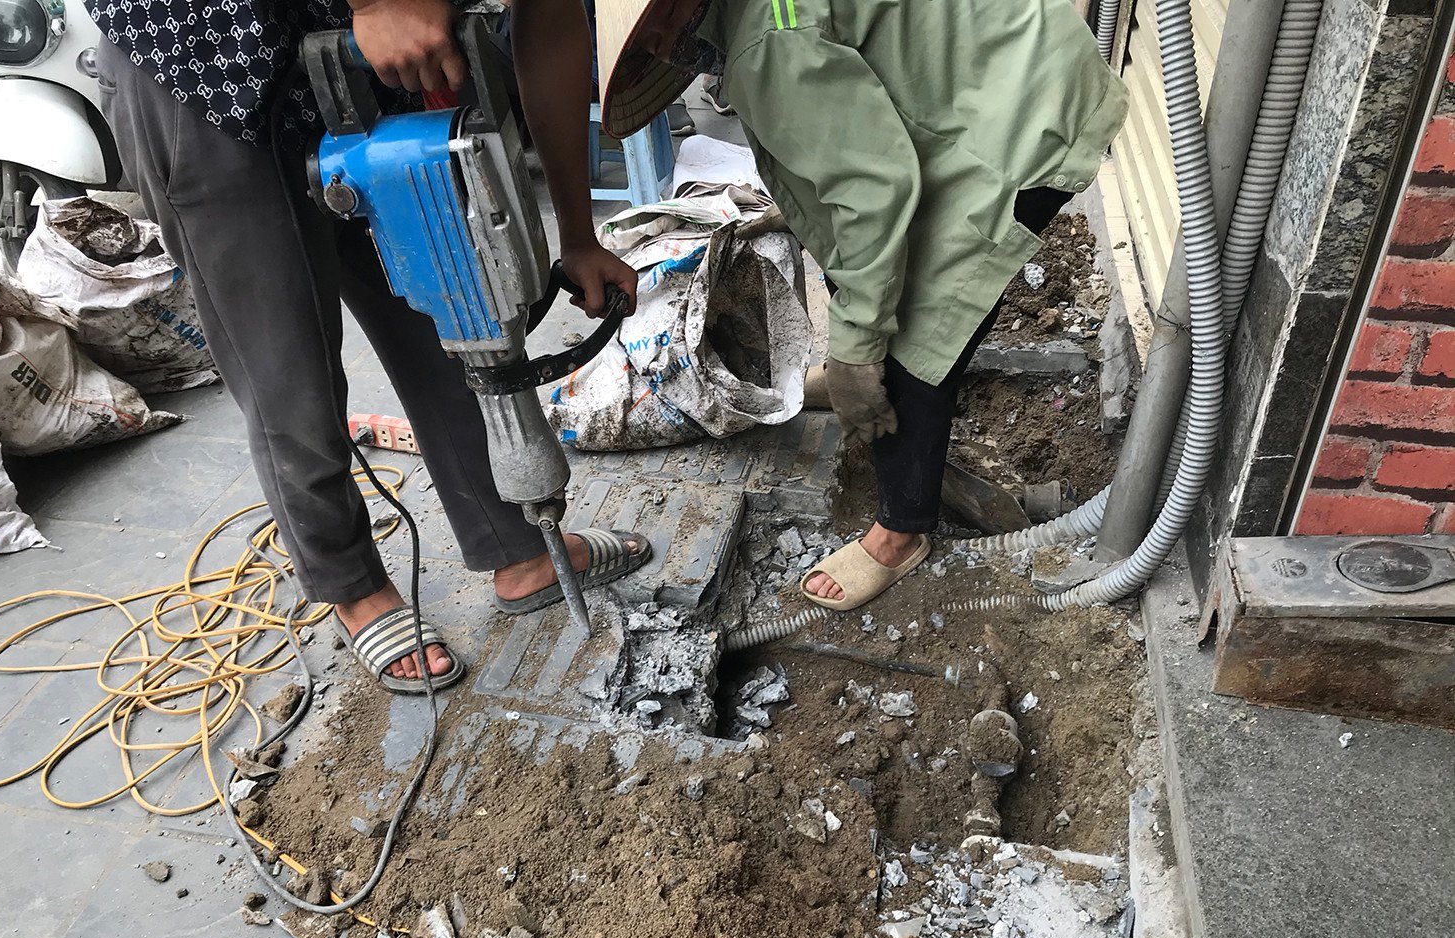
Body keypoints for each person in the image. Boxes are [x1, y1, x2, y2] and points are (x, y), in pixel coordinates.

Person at [85, 0, 649, 692]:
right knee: (285, 362)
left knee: (449, 301)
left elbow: (552, 24)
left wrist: (578, 236)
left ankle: (520, 544)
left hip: (371, 60)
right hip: (206, 55)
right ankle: (353, 583)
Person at [598, 0, 1128, 610]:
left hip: (1026, 107)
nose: (661, 47)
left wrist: (857, 346)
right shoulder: (767, 24)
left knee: (921, 316)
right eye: (642, 45)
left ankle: (901, 532)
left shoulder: (765, 44)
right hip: (997, 61)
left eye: (652, 25)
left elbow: (874, 190)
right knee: (880, 272)